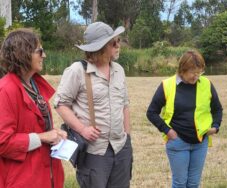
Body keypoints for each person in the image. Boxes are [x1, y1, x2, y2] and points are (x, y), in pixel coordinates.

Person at [54, 21, 132, 188]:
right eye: (114, 42)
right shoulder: (77, 70)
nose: (118, 45)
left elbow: (125, 105)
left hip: (121, 148)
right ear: (102, 47)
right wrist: (82, 129)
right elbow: (60, 104)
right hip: (94, 152)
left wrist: (128, 138)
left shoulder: (119, 70)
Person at [0, 29, 67, 187]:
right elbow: (3, 143)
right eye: (40, 51)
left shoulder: (33, 85)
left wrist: (55, 134)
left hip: (45, 174)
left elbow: (35, 126)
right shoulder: (6, 90)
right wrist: (43, 137)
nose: (44, 55)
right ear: (23, 53)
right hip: (22, 179)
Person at [146, 50, 223, 188]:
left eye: (199, 72)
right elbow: (151, 112)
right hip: (177, 142)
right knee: (180, 183)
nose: (196, 76)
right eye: (193, 72)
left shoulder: (207, 84)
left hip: (201, 143)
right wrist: (168, 131)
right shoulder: (167, 85)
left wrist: (216, 126)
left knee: (194, 184)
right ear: (182, 69)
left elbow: (217, 109)